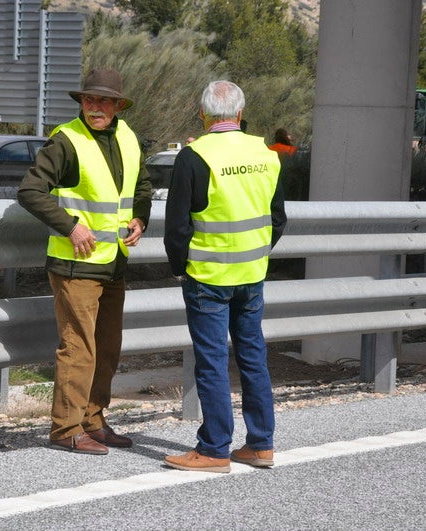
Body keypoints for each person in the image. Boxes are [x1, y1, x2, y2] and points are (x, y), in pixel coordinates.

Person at [17, 69, 152, 455]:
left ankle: (94, 420)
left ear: (118, 106)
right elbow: (30, 191)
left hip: (114, 262)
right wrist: (70, 226)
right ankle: (66, 428)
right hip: (75, 264)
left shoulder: (128, 137)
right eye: (89, 100)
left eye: (104, 100)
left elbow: (142, 187)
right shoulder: (66, 140)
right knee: (79, 348)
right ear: (81, 103)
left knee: (107, 347)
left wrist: (140, 218)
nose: (96, 106)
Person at [163, 80, 286, 473]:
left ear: (203, 113)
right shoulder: (265, 153)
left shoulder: (194, 156)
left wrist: (181, 269)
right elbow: (278, 218)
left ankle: (215, 449)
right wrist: (256, 254)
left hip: (208, 277)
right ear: (239, 112)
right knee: (253, 356)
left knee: (213, 362)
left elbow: (177, 228)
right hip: (252, 274)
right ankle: (260, 445)